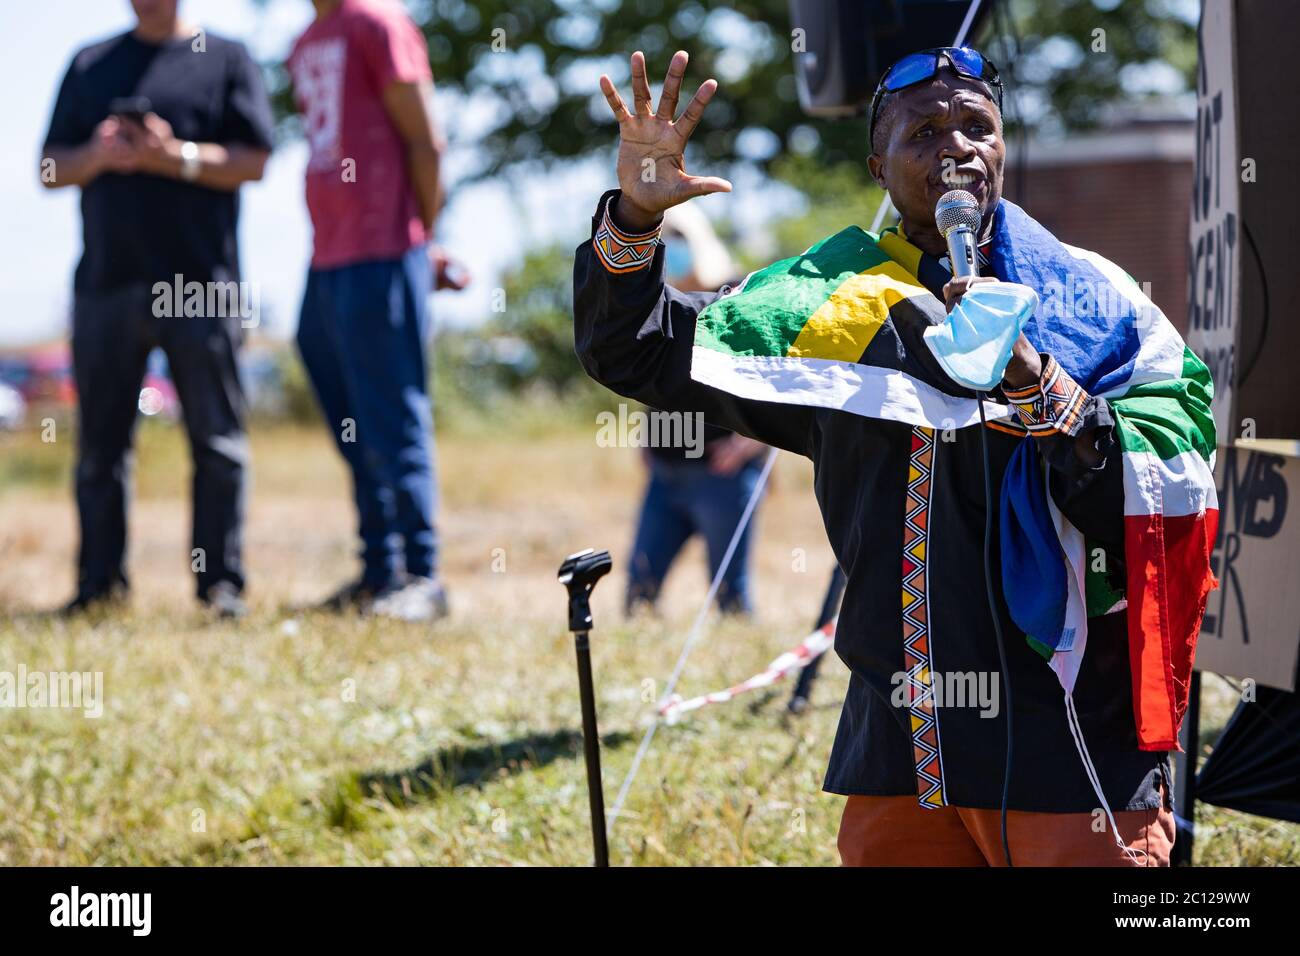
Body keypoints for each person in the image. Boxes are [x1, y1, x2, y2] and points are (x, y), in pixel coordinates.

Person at [575, 48, 1218, 866]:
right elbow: (633, 351)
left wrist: (1043, 387)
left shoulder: (1099, 306)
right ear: (878, 164)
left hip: (1070, 748)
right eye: (925, 131)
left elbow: (1160, 498)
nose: (957, 147)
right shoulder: (820, 310)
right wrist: (634, 219)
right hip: (900, 745)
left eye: (977, 127)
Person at [40, 0, 274, 618]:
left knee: (218, 442)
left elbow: (254, 160)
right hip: (107, 285)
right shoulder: (91, 63)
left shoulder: (226, 59)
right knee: (100, 447)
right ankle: (99, 588)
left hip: (203, 285)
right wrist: (96, 155)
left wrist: (178, 156)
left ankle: (220, 586)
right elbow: (48, 168)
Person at [288, 0, 465, 620]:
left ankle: (423, 576)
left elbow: (425, 141)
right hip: (326, 260)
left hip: (385, 252)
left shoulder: (378, 23)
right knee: (351, 420)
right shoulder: (307, 38)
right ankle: (378, 569)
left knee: (394, 416)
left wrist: (421, 244)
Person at [625, 204, 767, 616]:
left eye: (677, 237)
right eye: (659, 239)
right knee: (639, 591)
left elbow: (772, 379)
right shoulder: (657, 301)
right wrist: (647, 441)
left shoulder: (736, 297)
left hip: (722, 476)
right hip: (665, 475)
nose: (668, 248)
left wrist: (749, 445)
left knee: (730, 597)